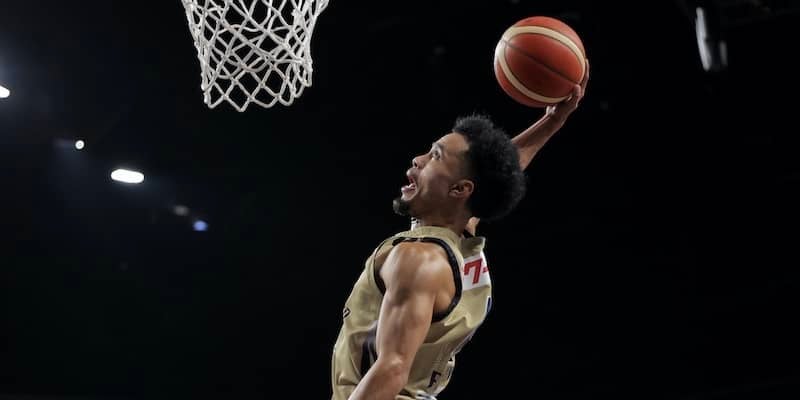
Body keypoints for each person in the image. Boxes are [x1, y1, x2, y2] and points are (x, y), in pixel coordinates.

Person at [331, 62, 590, 400]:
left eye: (435, 157)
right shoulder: (461, 238)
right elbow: (496, 174)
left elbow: (392, 368)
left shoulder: (418, 259)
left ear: (459, 190)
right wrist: (552, 121)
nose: (418, 159)